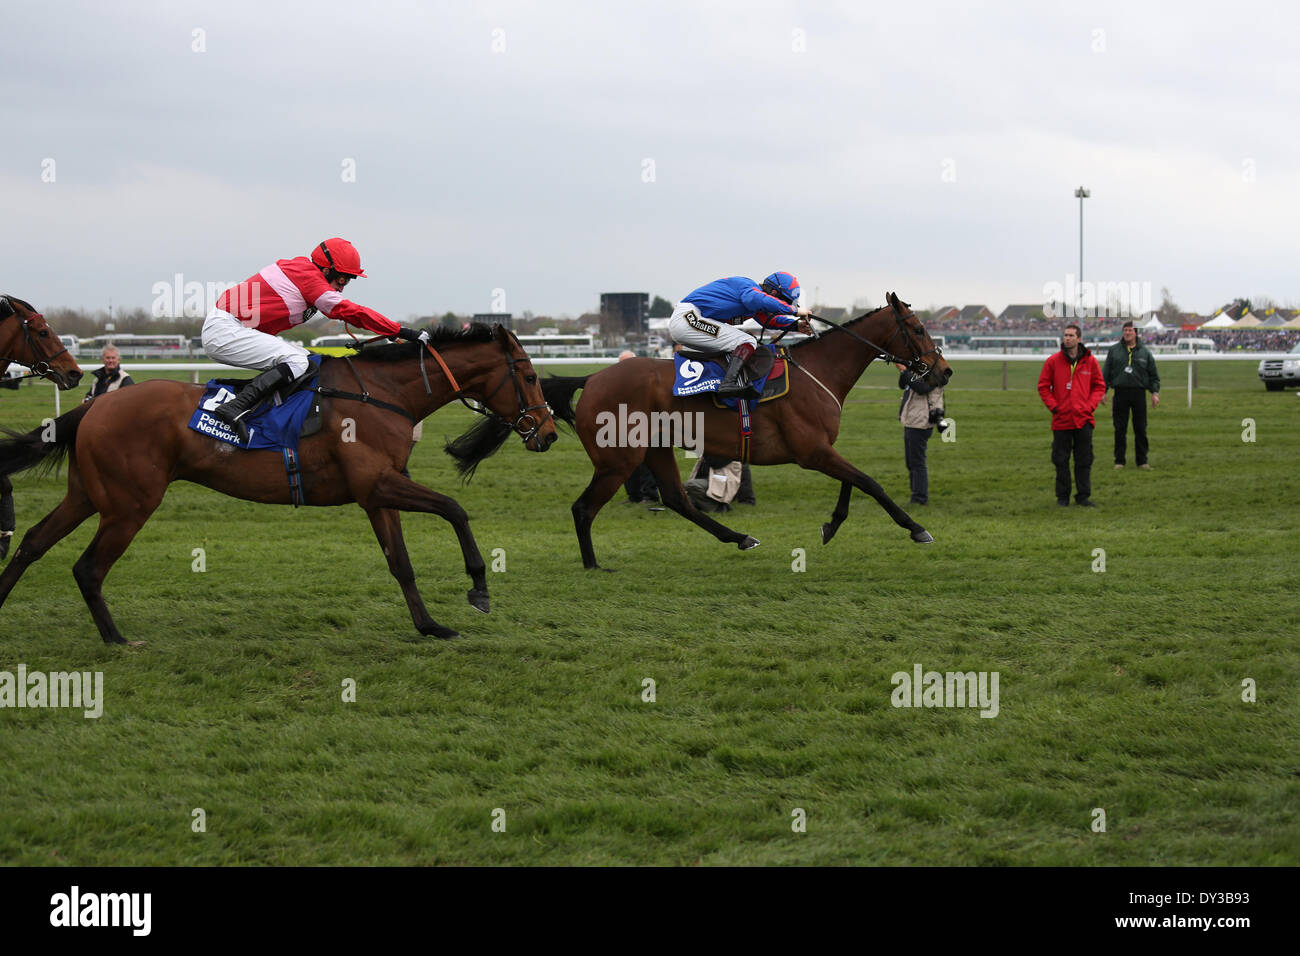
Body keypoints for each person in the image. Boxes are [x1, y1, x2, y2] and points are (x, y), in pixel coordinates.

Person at [202, 238, 422, 441]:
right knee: (298, 362)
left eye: (348, 281)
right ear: (326, 270)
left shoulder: (305, 271)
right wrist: (401, 331)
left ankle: (270, 416)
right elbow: (349, 311)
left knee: (310, 362)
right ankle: (234, 408)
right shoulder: (308, 277)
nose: (342, 286)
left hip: (234, 328)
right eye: (341, 278)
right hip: (226, 330)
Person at [667, 272, 812, 397]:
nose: (781, 306)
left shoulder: (754, 304)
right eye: (783, 301)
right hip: (688, 317)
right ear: (774, 293)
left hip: (689, 320)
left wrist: (796, 326)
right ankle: (728, 384)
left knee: (744, 343)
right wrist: (794, 311)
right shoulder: (749, 288)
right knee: (747, 341)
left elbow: (769, 320)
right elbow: (757, 299)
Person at [1037, 324, 1105, 507]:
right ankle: (1063, 497)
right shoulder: (1053, 361)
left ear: (1079, 338)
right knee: (1061, 460)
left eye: (1071, 335)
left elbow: (1099, 386)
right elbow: (1043, 387)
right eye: (1065, 335)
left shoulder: (1090, 362)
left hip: (1084, 419)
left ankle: (1083, 496)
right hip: (1061, 419)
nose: (1067, 338)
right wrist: (1054, 407)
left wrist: (1089, 406)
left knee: (1084, 460)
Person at [1102, 320, 1161, 469]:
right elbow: (1106, 373)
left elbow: (1153, 375)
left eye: (1130, 330)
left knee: (1140, 428)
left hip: (1139, 394)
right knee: (1120, 428)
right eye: (1125, 330)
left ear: (1136, 333)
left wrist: (1154, 393)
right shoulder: (1114, 351)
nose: (1127, 333)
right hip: (1120, 394)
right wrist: (1103, 391)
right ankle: (1119, 461)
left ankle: (1142, 461)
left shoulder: (1145, 352)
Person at [897, 362, 946, 505]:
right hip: (912, 421)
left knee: (917, 462)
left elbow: (921, 388)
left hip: (920, 423)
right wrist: (904, 372)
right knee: (911, 462)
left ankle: (919, 498)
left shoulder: (933, 375)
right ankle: (916, 494)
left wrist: (905, 371)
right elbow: (903, 385)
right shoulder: (919, 372)